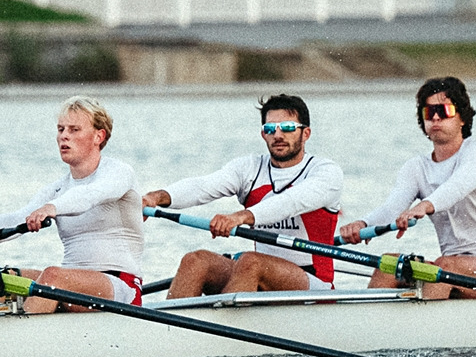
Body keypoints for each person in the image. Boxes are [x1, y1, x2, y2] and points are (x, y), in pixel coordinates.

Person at [340, 76, 476, 299]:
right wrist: (363, 224)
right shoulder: (416, 167)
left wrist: (425, 205)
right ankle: (369, 328)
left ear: (462, 118)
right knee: (388, 265)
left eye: (444, 110)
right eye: (429, 112)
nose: (436, 117)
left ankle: (428, 327)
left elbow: (457, 186)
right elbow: (392, 208)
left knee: (443, 268)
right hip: (454, 266)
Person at [142, 92, 343, 298]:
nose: (278, 135)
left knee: (251, 262)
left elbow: (290, 202)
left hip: (313, 283)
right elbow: (203, 186)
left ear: (306, 133)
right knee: (195, 260)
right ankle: (171, 326)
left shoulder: (326, 172)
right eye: (270, 129)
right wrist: (155, 197)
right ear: (263, 134)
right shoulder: (250, 168)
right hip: (257, 272)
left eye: (288, 128)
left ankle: (216, 325)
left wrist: (240, 217)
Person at [0, 96, 143, 312]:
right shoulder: (57, 189)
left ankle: (27, 338)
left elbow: (90, 195)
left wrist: (52, 208)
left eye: (74, 130)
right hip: (68, 286)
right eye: (61, 129)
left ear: (98, 136)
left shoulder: (119, 173)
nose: (64, 136)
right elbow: (20, 217)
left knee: (53, 276)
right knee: (0, 281)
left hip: (121, 287)